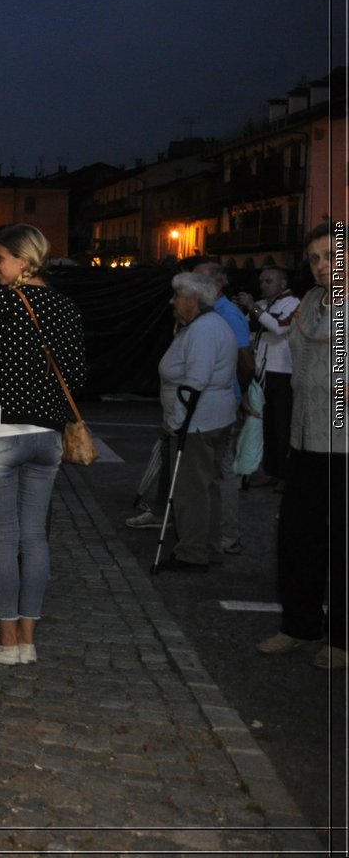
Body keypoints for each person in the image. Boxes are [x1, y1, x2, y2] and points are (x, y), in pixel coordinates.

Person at [0, 223, 85, 665]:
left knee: (4, 537)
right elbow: (77, 375)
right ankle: (28, 639)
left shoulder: (5, 303)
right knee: (35, 538)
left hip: (1, 432)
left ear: (25, 259)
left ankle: (8, 640)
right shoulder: (66, 307)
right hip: (46, 436)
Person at [258, 223, 346, 671]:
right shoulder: (310, 303)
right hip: (306, 437)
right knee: (296, 537)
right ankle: (299, 626)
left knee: (342, 542)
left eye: (330, 255)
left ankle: (343, 639)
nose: (320, 265)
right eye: (313, 258)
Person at [154, 272, 239, 572]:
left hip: (199, 421)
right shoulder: (210, 325)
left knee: (191, 489)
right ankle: (208, 546)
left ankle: (192, 551)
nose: (172, 301)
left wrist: (176, 420)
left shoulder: (203, 330)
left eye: (177, 295)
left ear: (192, 299)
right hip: (214, 417)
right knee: (208, 486)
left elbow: (195, 380)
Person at [236, 265, 300, 487]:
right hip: (260, 373)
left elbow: (280, 327)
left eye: (269, 281)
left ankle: (286, 475)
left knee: (283, 426)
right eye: (261, 281)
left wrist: (253, 308)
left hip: (283, 372)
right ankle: (271, 471)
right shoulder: (262, 305)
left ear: (283, 283)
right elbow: (246, 330)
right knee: (266, 425)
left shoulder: (294, 304)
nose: (263, 285)